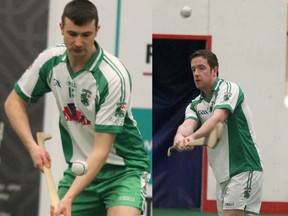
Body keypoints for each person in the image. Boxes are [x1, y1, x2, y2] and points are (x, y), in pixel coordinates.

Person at [4, 0, 150, 215]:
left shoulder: (112, 77)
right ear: (61, 28)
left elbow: (101, 151)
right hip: (80, 170)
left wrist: (69, 198)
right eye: (72, 34)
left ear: (97, 30)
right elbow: (13, 102)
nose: (79, 42)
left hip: (123, 171)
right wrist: (33, 147)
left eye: (86, 34)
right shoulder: (51, 62)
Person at [173, 49, 263, 216]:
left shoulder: (229, 89)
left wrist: (192, 138)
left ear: (215, 70)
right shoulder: (195, 104)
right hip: (223, 176)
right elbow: (187, 125)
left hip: (244, 167)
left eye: (201, 68)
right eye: (193, 70)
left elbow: (217, 118)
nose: (196, 74)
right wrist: (179, 136)